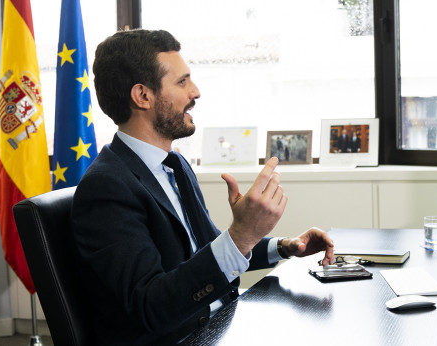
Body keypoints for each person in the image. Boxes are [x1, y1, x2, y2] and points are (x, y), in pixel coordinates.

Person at [70, 29, 335, 345]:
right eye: (182, 82)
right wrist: (241, 235)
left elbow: (206, 247)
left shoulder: (175, 165)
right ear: (142, 96)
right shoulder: (107, 187)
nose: (195, 92)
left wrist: (285, 246)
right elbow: (149, 306)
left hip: (218, 324)